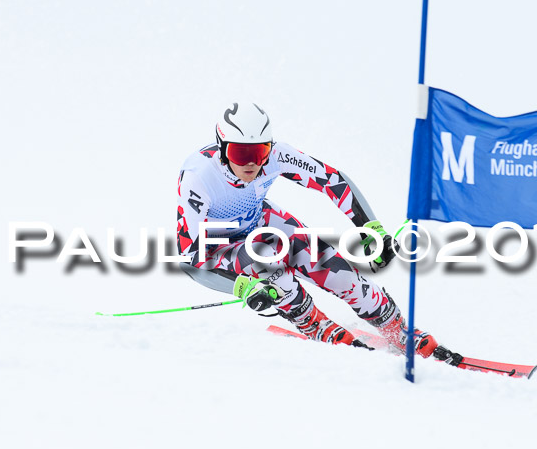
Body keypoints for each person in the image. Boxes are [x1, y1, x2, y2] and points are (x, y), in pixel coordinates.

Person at [177, 102, 441, 358]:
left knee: (337, 272)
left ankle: (397, 328)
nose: (252, 163)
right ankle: (314, 323)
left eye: (260, 153)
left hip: (259, 221)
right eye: (240, 154)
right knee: (273, 274)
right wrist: (242, 288)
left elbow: (333, 181)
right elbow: (191, 259)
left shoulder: (277, 155)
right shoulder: (198, 177)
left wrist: (371, 228)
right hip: (219, 245)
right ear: (222, 149)